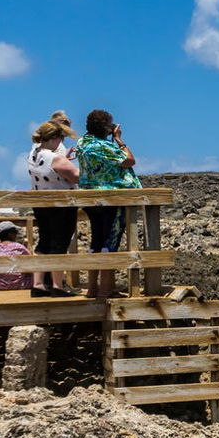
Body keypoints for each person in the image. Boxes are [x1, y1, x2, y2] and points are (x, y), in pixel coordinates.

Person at [76, 108, 141, 299]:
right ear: (106, 127)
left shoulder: (82, 144)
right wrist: (119, 139)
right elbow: (129, 160)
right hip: (110, 199)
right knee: (109, 242)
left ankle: (91, 289)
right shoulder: (104, 146)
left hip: (89, 198)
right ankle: (104, 291)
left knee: (95, 240)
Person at [27, 113, 80, 297]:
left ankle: (38, 284)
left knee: (43, 243)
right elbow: (76, 176)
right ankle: (58, 285)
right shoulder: (55, 158)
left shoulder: (34, 153)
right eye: (62, 137)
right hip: (61, 205)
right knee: (59, 243)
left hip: (40, 203)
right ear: (55, 138)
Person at [0, 221, 32, 291]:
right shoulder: (19, 247)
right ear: (10, 234)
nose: (17, 234)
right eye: (15, 232)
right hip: (19, 285)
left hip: (0, 286)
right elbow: (31, 262)